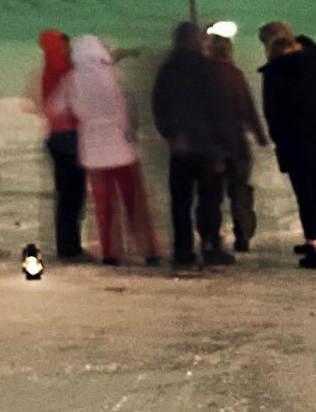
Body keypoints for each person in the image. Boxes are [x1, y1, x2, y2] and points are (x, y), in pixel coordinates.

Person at [63, 33, 161, 266]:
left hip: (95, 154)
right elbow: (130, 105)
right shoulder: (115, 75)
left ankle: (110, 252)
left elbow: (65, 107)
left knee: (104, 206)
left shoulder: (73, 79)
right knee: (133, 202)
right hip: (123, 151)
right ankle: (148, 250)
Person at [150, 20, 240, 267]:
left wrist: (170, 134)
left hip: (181, 148)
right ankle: (210, 245)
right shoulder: (206, 69)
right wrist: (222, 145)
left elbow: (159, 106)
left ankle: (183, 250)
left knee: (181, 202)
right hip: (207, 147)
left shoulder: (167, 70)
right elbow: (218, 108)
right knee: (209, 200)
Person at [258, 21, 316, 269]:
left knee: (306, 195)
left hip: (295, 141)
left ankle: (315, 246)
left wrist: (278, 138)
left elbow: (272, 112)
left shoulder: (275, 71)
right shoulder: (314, 62)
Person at [207, 29, 269, 253]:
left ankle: (211, 238)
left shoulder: (204, 77)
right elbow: (247, 108)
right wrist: (260, 135)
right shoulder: (235, 75)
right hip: (236, 145)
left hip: (211, 147)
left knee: (212, 195)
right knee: (240, 193)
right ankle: (242, 235)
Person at [35, 30, 87, 262]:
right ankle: (70, 246)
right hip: (70, 137)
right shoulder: (63, 70)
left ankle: (67, 244)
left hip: (57, 137)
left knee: (66, 192)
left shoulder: (49, 69)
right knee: (73, 193)